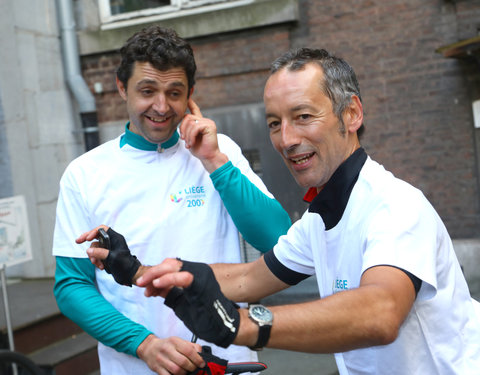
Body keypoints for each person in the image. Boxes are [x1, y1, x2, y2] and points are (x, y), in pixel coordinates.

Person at [87, 47, 480, 375]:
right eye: (275, 123)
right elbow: (247, 278)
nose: (287, 139)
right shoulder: (320, 218)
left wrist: (243, 325)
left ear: (352, 114)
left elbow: (380, 313)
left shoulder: (393, 205)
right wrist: (141, 271)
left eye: (303, 116)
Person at [52, 26, 291, 375]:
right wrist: (143, 344)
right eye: (147, 91)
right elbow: (72, 285)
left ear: (191, 95)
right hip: (135, 366)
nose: (161, 107)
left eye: (174, 92)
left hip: (228, 362)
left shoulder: (220, 152)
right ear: (122, 88)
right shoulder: (85, 173)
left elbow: (279, 240)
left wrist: (213, 161)